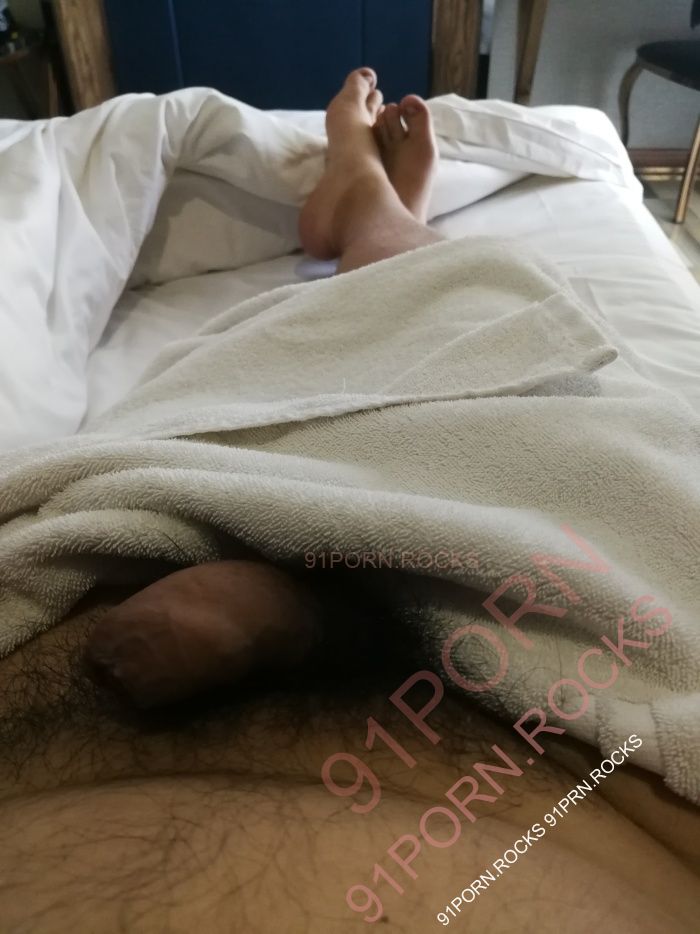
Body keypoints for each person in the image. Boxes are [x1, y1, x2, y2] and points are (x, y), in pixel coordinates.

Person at [0, 70, 698, 934]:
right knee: (461, 328)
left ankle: (369, 199)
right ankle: (375, 205)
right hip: (594, 747)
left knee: (387, 346)